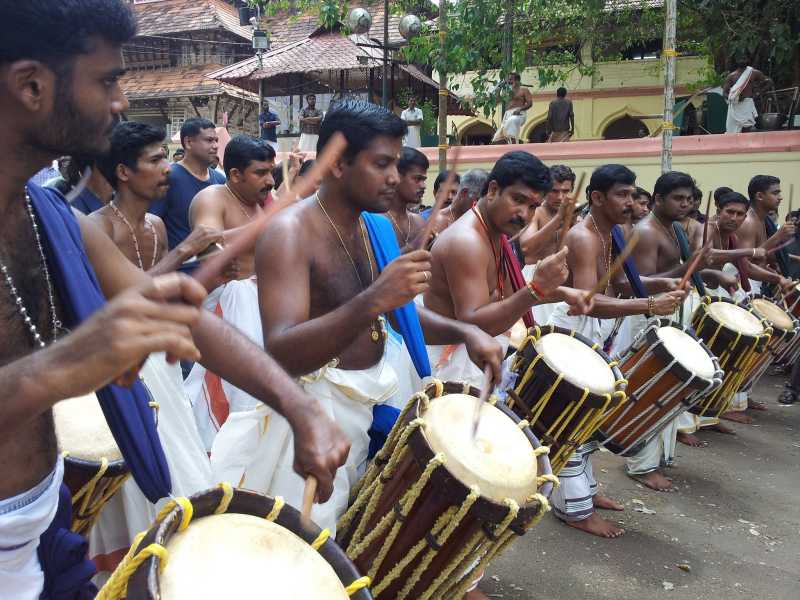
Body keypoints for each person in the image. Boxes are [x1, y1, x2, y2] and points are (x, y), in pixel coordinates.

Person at [0, 3, 350, 598]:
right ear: (32, 85)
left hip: (46, 530)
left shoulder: (49, 218)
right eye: (108, 80)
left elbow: (178, 316)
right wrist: (61, 367)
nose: (119, 102)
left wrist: (301, 407)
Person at [211, 99, 503, 535]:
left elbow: (396, 316)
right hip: (305, 420)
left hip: (365, 407)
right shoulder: (291, 233)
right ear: (337, 165)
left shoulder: (374, 226)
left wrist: (465, 332)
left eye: (397, 164)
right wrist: (373, 299)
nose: (395, 177)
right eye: (381, 164)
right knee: (298, 547)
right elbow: (283, 350)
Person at [87, 120, 223, 578]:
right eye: (155, 160)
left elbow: (162, 291)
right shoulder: (95, 228)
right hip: (116, 370)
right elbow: (122, 302)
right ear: (124, 172)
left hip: (163, 370)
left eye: (166, 157)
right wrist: (186, 250)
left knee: (183, 469)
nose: (166, 168)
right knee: (137, 483)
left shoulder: (158, 224)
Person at [550, 165, 686, 536]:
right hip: (575, 332)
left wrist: (661, 283)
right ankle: (573, 508)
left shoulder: (611, 232)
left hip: (597, 333)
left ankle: (585, 495)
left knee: (589, 422)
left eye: (632, 194)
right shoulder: (584, 237)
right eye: (622, 195)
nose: (630, 202)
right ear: (596, 197)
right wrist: (649, 306)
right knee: (572, 423)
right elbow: (587, 302)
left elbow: (618, 283)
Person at [423, 151, 591, 387]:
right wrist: (537, 289)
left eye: (533, 206)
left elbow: (509, 297)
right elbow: (474, 325)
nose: (524, 214)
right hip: (446, 368)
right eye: (518, 200)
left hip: (473, 362)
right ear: (492, 190)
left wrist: (562, 293)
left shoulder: (495, 233)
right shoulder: (467, 242)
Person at [626, 171, 736, 448]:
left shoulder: (674, 228)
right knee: (650, 388)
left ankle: (659, 456)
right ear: (658, 199)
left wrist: (702, 267)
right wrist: (693, 266)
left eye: (688, 199)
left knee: (667, 388)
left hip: (670, 309)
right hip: (649, 313)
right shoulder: (647, 232)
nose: (685, 204)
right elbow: (641, 284)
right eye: (677, 198)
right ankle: (641, 461)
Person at [184, 135, 278, 446]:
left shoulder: (265, 202)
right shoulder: (212, 198)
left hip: (266, 307)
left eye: (272, 171)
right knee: (236, 396)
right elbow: (207, 246)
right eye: (260, 173)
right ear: (235, 174)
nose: (269, 180)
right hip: (228, 307)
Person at [149, 118, 226, 252]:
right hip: (180, 267)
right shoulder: (168, 177)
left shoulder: (220, 179)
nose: (215, 146)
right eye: (209, 140)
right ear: (189, 142)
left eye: (216, 140)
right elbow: (151, 225)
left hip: (214, 265)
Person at [518, 164, 577, 323]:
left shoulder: (575, 216)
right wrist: (559, 219)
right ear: (545, 191)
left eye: (565, 191)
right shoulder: (536, 212)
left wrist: (570, 222)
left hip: (561, 280)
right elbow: (526, 248)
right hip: (535, 278)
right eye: (554, 191)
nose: (560, 197)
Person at [387, 147, 428, 251]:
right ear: (397, 176)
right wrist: (412, 247)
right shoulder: (373, 221)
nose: (423, 186)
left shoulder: (420, 222)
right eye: (417, 179)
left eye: (424, 180)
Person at [425, 168, 488, 237]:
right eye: (477, 199)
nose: (479, 205)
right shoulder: (438, 220)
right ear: (464, 192)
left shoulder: (477, 219)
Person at [723, 60, 771, 134]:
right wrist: (734, 98)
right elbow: (724, 93)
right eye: (740, 58)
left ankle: (747, 144)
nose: (742, 59)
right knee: (732, 131)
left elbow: (769, 82)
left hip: (747, 104)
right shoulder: (731, 76)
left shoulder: (754, 73)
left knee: (747, 128)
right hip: (735, 107)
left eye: (744, 58)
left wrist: (758, 93)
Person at [492, 73, 532, 144]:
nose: (509, 82)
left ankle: (514, 145)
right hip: (507, 114)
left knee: (512, 121)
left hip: (519, 114)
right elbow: (497, 102)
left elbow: (530, 103)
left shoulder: (524, 90)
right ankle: (513, 144)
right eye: (508, 80)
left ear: (517, 81)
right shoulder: (506, 91)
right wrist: (499, 88)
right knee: (497, 138)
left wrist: (519, 109)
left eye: (510, 79)